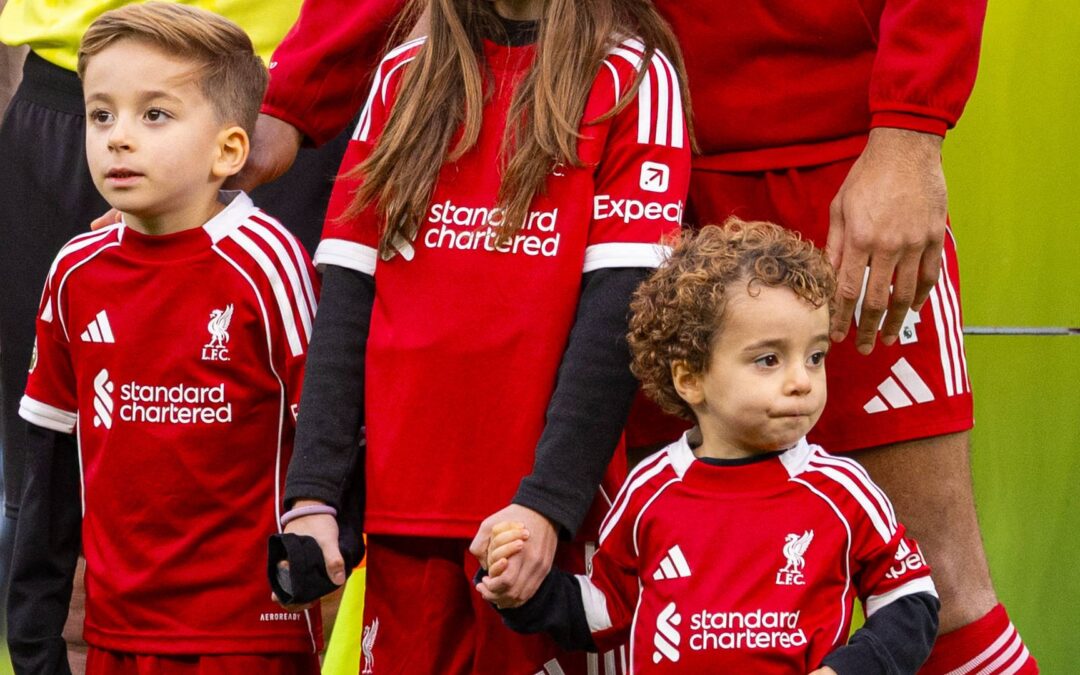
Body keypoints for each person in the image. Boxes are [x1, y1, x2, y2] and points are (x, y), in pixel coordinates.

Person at [244, 2, 1038, 672]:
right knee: (630, 603)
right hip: (594, 174)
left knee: (939, 587)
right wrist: (299, 96)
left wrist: (909, 131)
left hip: (827, 170)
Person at [271, 0, 692, 671]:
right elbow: (348, 301)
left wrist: (547, 507)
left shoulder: (633, 75)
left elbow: (620, 318)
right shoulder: (404, 71)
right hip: (404, 521)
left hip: (539, 531)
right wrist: (314, 494)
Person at [5, 5, 321, 674]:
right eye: (101, 115)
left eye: (154, 115)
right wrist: (35, 642)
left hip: (248, 638)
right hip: (117, 635)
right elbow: (51, 470)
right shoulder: (74, 270)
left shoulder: (269, 264)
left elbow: (328, 433)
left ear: (230, 148)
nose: (118, 138)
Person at [477, 219, 940, 673]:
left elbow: (911, 603)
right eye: (769, 359)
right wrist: (521, 589)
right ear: (690, 378)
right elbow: (604, 612)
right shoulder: (649, 490)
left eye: (815, 356)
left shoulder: (841, 491)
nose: (802, 381)